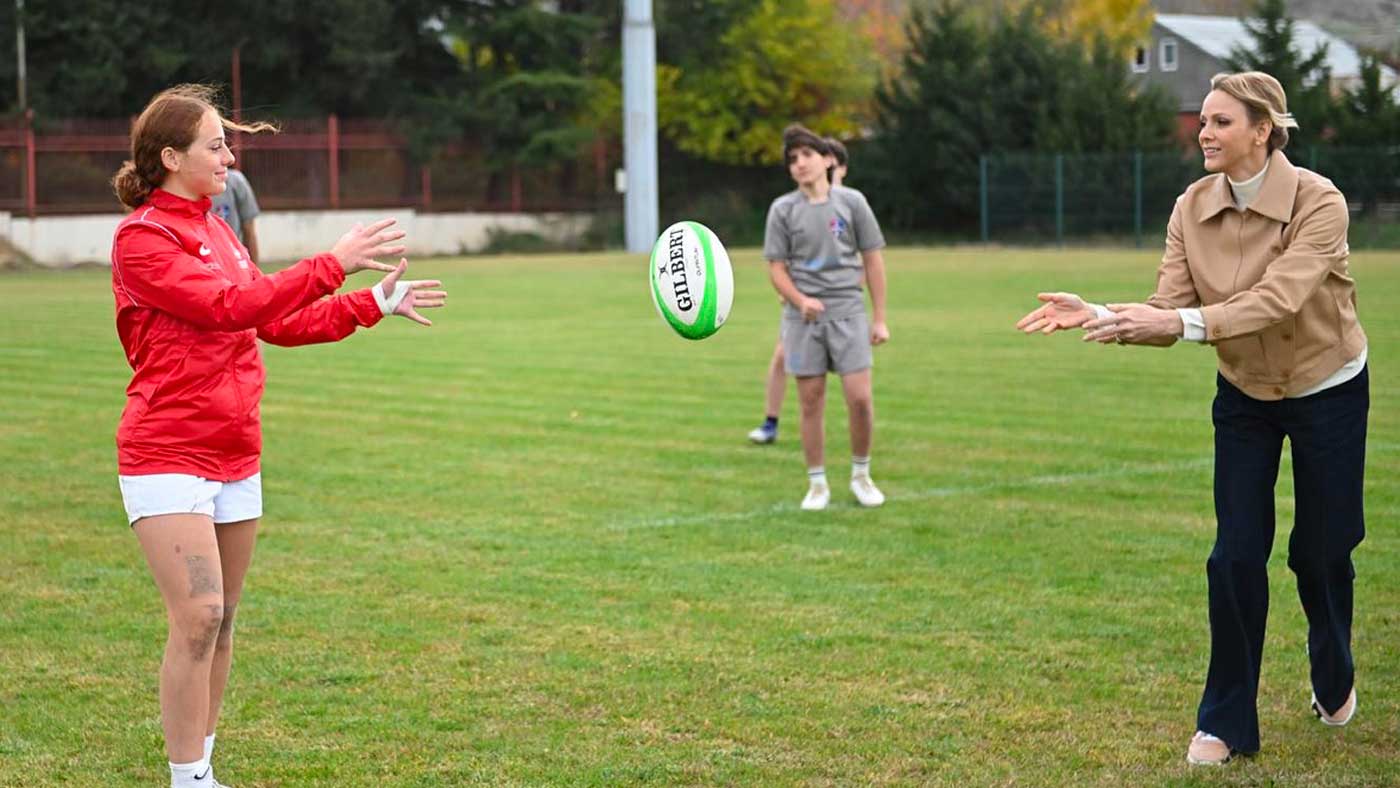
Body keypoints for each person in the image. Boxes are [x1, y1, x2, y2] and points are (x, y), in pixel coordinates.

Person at [1015, 71, 1367, 766]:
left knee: (1321, 552)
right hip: (1243, 394)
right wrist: (1104, 314)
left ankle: (1333, 667)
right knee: (1233, 555)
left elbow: (1279, 300)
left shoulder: (1318, 201)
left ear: (1263, 130)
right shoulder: (1190, 206)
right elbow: (1168, 302)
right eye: (1202, 121)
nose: (1203, 132)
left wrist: (1178, 323)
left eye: (1220, 122)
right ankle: (1227, 721)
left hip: (1328, 384)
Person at [109, 84, 447, 788]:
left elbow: (272, 322)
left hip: (236, 452)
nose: (229, 155)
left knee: (223, 622)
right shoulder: (143, 239)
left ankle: (201, 771)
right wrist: (333, 263)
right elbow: (230, 304)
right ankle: (186, 780)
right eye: (215, 144)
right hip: (167, 452)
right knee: (198, 617)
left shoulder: (218, 229)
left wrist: (374, 302)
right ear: (171, 157)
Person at [764, 124, 889, 509]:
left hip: (848, 312)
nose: (799, 164)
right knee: (811, 401)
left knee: (860, 399)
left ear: (825, 160)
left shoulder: (852, 203)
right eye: (792, 159)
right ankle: (817, 484)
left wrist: (879, 317)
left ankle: (861, 475)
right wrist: (800, 300)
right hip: (803, 320)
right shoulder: (782, 210)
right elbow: (776, 268)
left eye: (806, 155)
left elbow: (872, 259)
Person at [748, 137, 849, 445]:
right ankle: (770, 423)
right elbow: (785, 256)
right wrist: (791, 293)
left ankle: (857, 420)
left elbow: (857, 256)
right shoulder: (793, 207)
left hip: (840, 305)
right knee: (782, 357)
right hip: (802, 304)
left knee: (847, 368)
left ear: (836, 165)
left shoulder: (847, 205)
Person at [210, 166, 260, 264]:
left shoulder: (235, 181)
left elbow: (249, 232)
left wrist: (255, 274)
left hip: (232, 261)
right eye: (213, 149)